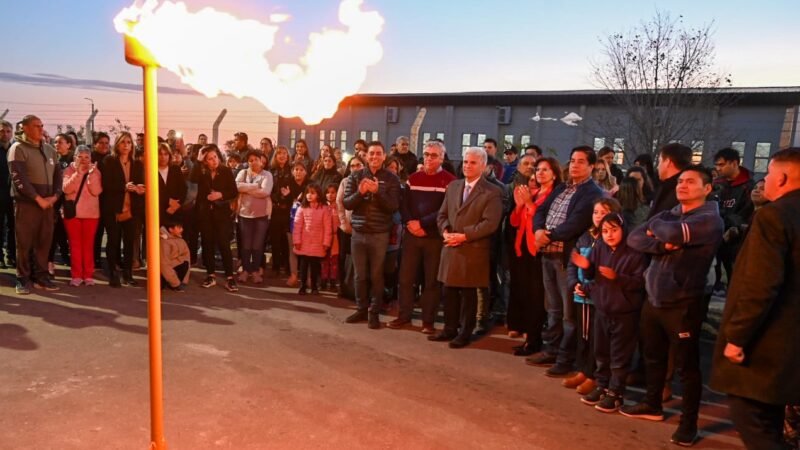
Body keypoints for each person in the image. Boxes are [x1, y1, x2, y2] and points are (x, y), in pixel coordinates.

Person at [622, 165, 724, 447]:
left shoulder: (709, 219)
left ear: (707, 189)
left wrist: (659, 230)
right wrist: (660, 243)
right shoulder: (672, 215)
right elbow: (634, 237)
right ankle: (652, 404)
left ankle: (688, 424)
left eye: (690, 182)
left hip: (683, 302)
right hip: (654, 297)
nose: (682, 185)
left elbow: (669, 233)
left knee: (686, 367)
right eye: (680, 181)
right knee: (653, 356)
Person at [710, 147, 800, 450]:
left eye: (770, 174)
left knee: (751, 417)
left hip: (768, 342)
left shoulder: (775, 216)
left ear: (784, 176)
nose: (766, 180)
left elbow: (760, 283)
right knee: (772, 416)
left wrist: (737, 337)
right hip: (790, 346)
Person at [528, 146, 604, 376]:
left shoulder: (592, 192)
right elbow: (541, 211)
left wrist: (547, 235)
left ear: (591, 166)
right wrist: (538, 230)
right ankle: (551, 349)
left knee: (569, 313)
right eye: (572, 160)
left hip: (565, 257)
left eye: (581, 161)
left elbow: (577, 222)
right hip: (547, 253)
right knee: (552, 307)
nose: (574, 165)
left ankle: (565, 358)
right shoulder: (562, 187)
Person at [428, 146, 503, 348]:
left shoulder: (493, 191)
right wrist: (445, 232)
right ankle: (449, 329)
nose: (468, 166)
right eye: (466, 162)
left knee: (469, 295)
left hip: (473, 249)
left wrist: (464, 235)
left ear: (484, 166)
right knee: (449, 292)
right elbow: (442, 214)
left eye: (473, 162)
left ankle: (465, 333)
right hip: (450, 246)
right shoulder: (454, 186)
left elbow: (490, 223)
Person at [572, 212, 647, 413]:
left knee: (619, 356)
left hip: (624, 312)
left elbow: (640, 283)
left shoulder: (635, 252)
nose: (609, 235)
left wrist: (618, 277)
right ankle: (602, 385)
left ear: (623, 229)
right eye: (605, 231)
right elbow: (595, 278)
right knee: (601, 352)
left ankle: (616, 393)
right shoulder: (599, 249)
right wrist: (586, 271)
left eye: (614, 230)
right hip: (602, 309)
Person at [387, 140, 456, 333]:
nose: (428, 158)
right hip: (412, 235)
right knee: (406, 279)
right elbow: (404, 204)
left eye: (433, 155)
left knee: (431, 281)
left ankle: (428, 321)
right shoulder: (413, 179)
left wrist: (423, 224)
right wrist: (410, 223)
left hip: (433, 237)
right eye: (426, 154)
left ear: (442, 157)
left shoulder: (450, 181)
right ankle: (404, 316)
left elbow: (446, 209)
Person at [562, 198, 621, 396]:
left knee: (598, 339)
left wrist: (589, 287)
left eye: (604, 213)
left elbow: (604, 271)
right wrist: (574, 284)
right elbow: (573, 263)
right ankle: (583, 370)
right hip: (581, 296)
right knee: (583, 335)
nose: (599, 217)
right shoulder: (585, 237)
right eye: (596, 212)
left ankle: (594, 375)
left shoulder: (612, 240)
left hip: (599, 298)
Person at [342, 141, 401, 329]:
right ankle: (361, 308)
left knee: (376, 275)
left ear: (384, 156)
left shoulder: (391, 179)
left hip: (380, 234)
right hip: (358, 233)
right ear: (365, 157)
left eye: (378, 153)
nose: (374, 157)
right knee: (360, 275)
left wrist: (377, 192)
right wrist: (360, 192)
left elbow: (393, 206)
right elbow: (347, 203)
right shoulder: (355, 176)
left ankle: (374, 312)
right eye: (371, 154)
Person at [506, 157, 561, 354]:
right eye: (538, 169)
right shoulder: (535, 194)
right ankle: (529, 336)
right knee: (525, 294)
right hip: (522, 248)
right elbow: (514, 221)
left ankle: (535, 340)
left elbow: (542, 220)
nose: (540, 172)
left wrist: (528, 203)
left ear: (554, 174)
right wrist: (520, 205)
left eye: (545, 169)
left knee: (537, 297)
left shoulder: (555, 196)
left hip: (539, 251)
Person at [8, 115, 63, 293]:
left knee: (44, 241)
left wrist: (54, 197)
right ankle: (22, 278)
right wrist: (37, 199)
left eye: (41, 125)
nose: (41, 129)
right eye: (36, 126)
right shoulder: (17, 149)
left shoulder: (49, 150)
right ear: (24, 128)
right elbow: (19, 179)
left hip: (48, 204)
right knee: (24, 242)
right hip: (27, 204)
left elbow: (58, 177)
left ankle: (41, 276)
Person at [191, 144, 239, 292]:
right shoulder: (201, 171)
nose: (214, 161)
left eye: (215, 157)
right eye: (210, 159)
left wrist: (220, 195)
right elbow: (192, 178)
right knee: (207, 244)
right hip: (205, 213)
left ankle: (230, 277)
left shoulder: (225, 171)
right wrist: (198, 160)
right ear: (205, 161)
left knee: (224, 244)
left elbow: (233, 191)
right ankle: (210, 275)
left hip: (222, 214)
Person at [100, 131, 145, 288]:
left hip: (132, 209)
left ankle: (128, 274)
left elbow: (141, 183)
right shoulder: (109, 161)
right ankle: (113, 273)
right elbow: (106, 184)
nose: (126, 145)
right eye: (123, 142)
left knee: (129, 242)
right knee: (113, 241)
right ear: (117, 145)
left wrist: (140, 189)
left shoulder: (137, 164)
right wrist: (124, 187)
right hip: (113, 208)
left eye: (128, 142)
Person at [712, 147, 755, 292]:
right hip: (715, 235)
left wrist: (731, 222)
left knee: (735, 276)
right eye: (717, 165)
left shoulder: (749, 187)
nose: (718, 168)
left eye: (722, 165)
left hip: (736, 239)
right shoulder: (716, 184)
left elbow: (748, 214)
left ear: (735, 163)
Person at [62, 145, 102, 286]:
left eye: (87, 157)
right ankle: (76, 275)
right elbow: (66, 189)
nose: (84, 160)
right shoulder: (68, 170)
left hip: (91, 214)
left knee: (88, 245)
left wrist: (91, 174)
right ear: (75, 158)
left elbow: (96, 191)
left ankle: (88, 275)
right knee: (75, 245)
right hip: (73, 213)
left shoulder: (95, 171)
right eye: (80, 157)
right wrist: (78, 173)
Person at [235, 150, 273, 284]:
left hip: (261, 215)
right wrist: (255, 186)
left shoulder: (267, 174)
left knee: (257, 245)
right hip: (244, 214)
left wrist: (247, 191)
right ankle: (245, 270)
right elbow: (236, 186)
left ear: (261, 161)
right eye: (250, 160)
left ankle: (256, 271)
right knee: (246, 245)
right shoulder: (243, 173)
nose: (253, 162)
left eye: (256, 159)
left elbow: (265, 192)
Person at [292, 183, 333, 295]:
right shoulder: (302, 208)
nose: (309, 195)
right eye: (308, 193)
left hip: (318, 243)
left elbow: (327, 227)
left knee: (315, 266)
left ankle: (314, 286)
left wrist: (326, 242)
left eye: (312, 193)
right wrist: (297, 240)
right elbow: (297, 226)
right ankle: (303, 286)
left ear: (318, 195)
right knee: (304, 266)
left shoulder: (325, 209)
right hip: (304, 242)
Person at [335, 156, 365, 299]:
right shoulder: (345, 181)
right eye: (352, 166)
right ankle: (342, 285)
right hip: (346, 227)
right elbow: (339, 203)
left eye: (358, 165)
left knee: (358, 259)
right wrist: (343, 223)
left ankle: (356, 289)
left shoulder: (367, 182)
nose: (355, 168)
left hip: (362, 228)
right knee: (343, 258)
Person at [49, 133, 74, 274]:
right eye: (55, 142)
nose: (57, 144)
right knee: (53, 233)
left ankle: (69, 260)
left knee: (68, 234)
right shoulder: (52, 158)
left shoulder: (72, 159)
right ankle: (50, 262)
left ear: (68, 144)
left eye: (60, 142)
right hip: (54, 200)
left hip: (69, 202)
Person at [284, 161, 310, 287]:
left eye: (301, 169)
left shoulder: (310, 185)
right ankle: (294, 275)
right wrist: (288, 197)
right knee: (292, 250)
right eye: (296, 169)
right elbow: (284, 201)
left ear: (305, 172)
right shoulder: (288, 184)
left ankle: (309, 277)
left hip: (308, 223)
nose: (298, 172)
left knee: (308, 251)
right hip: (291, 222)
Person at [649, 143, 692, 217]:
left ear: (667, 162)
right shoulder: (665, 186)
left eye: (660, 161)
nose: (658, 167)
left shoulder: (680, 191)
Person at [269, 146, 293, 275]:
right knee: (275, 239)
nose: (282, 156)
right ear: (275, 156)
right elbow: (268, 189)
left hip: (288, 209)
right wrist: (276, 198)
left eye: (284, 153)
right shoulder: (271, 171)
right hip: (274, 209)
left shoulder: (292, 170)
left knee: (287, 240)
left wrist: (287, 196)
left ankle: (288, 266)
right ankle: (276, 266)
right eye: (279, 154)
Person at [157, 143, 187, 224]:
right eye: (160, 154)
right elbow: (152, 192)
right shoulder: (151, 171)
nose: (163, 157)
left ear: (169, 155)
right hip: (157, 213)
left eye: (165, 154)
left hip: (176, 213)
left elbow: (183, 190)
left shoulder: (176, 169)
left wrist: (176, 206)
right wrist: (168, 200)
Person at [159, 219, 190, 292]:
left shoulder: (181, 240)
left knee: (185, 263)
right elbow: (163, 263)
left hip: (171, 265)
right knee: (159, 286)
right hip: (162, 268)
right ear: (170, 229)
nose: (182, 230)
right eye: (179, 228)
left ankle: (173, 283)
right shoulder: (164, 242)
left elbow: (187, 258)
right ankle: (173, 284)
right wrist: (176, 283)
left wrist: (183, 281)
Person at [0, 120, 15, 269]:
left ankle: (11, 256)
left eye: (7, 131)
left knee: (13, 227)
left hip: (14, 196)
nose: (5, 134)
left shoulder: (16, 150)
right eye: (2, 131)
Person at [321, 183, 341, 291]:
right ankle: (323, 280)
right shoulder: (323, 207)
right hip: (324, 237)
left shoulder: (339, 207)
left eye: (333, 192)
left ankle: (333, 281)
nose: (330, 195)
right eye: (328, 192)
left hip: (336, 237)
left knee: (334, 260)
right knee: (324, 259)